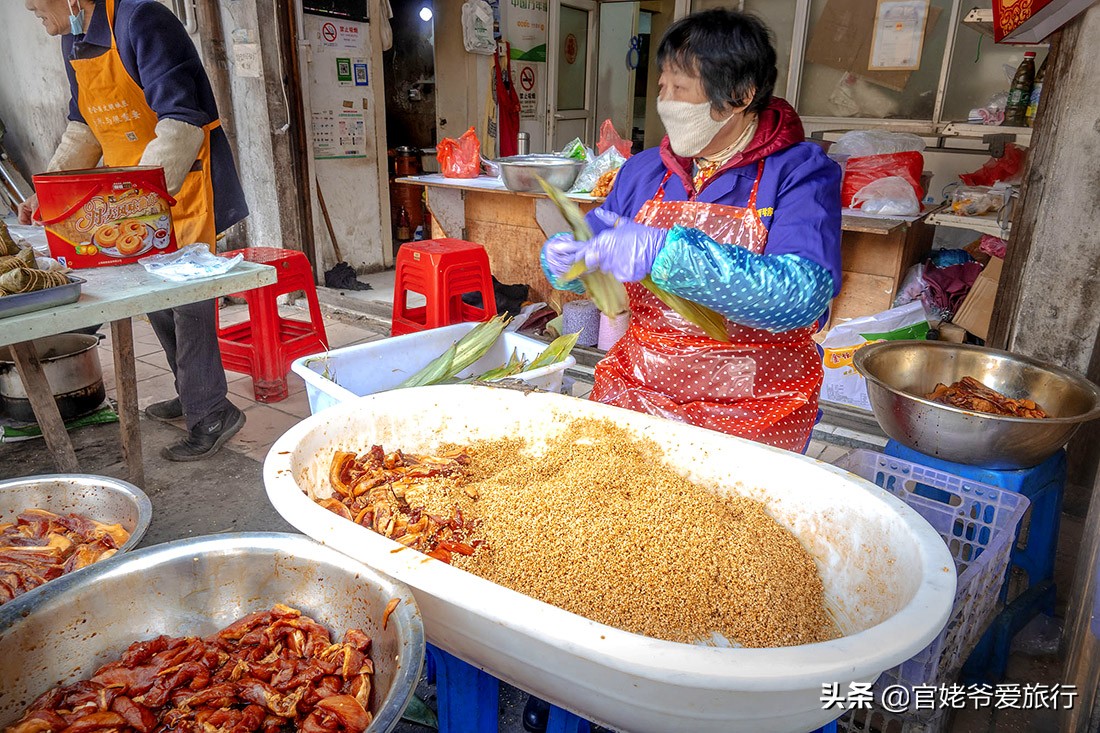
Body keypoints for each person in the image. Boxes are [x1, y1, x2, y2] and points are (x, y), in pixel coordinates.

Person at [542, 8, 841, 456]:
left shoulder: (801, 172)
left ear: (741, 95)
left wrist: (665, 254)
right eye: (662, 86)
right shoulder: (644, 170)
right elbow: (597, 238)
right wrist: (569, 259)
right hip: (639, 392)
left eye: (681, 88)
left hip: (753, 410)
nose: (666, 101)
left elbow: (800, 297)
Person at [21, 0, 250, 461]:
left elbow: (182, 121)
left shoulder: (142, 19)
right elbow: (83, 125)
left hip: (180, 181)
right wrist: (51, 192)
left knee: (187, 301)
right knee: (156, 295)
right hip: (133, 189)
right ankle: (192, 396)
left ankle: (211, 411)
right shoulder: (76, 36)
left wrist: (137, 200)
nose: (29, 7)